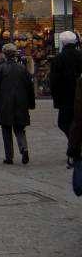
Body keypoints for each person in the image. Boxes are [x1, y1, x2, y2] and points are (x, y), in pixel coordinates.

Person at [0, 43, 35, 165]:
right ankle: (24, 149)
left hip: (4, 104)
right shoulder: (22, 69)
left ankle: (9, 157)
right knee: (20, 129)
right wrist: (31, 103)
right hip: (20, 103)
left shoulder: (1, 70)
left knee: (6, 130)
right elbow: (29, 88)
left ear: (4, 54)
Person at [50, 31, 82, 167]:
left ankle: (74, 145)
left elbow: (54, 81)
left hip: (65, 99)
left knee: (64, 123)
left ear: (62, 42)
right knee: (77, 122)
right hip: (80, 97)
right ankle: (75, 144)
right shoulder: (81, 56)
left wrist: (55, 97)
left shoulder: (58, 59)